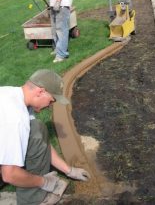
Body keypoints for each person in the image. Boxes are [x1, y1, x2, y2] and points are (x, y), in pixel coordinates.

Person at [0, 69, 90, 205]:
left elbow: (41, 143)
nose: (50, 106)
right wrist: (43, 182)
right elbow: (10, 175)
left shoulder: (12, 95)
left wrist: (69, 170)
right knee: (35, 131)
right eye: (52, 101)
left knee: (36, 128)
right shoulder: (15, 118)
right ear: (40, 91)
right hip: (8, 173)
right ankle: (33, 200)